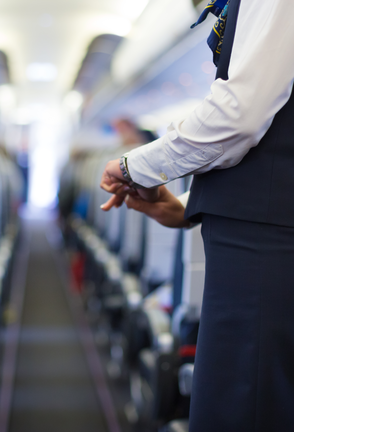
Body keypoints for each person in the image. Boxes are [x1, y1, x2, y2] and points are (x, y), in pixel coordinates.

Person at [99, 0, 293, 430]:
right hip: (263, 246)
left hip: (262, 257)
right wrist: (188, 207)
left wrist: (134, 166)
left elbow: (239, 115)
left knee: (241, 408)